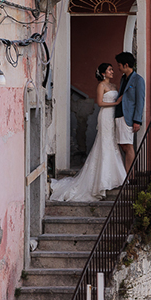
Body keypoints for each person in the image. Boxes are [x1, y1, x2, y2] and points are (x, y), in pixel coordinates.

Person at [50, 64, 127, 201]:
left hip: (113, 116)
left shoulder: (115, 86)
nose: (112, 72)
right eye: (109, 70)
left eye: (112, 69)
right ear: (103, 73)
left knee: (112, 143)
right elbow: (100, 103)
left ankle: (114, 175)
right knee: (105, 143)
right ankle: (102, 180)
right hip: (105, 116)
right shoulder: (101, 86)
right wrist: (115, 104)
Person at [115, 52, 145, 173]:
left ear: (125, 65)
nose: (118, 67)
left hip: (128, 117)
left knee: (128, 145)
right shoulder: (123, 79)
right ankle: (125, 173)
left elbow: (140, 101)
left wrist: (137, 120)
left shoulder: (138, 80)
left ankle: (130, 176)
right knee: (122, 145)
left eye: (119, 65)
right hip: (119, 115)